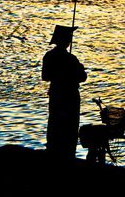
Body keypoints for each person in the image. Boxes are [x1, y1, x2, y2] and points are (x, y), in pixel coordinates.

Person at [42, 25, 87, 161]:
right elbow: (83, 77)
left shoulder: (49, 56)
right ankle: (68, 157)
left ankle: (53, 153)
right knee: (70, 128)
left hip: (56, 95)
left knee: (55, 125)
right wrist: (77, 69)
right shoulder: (71, 59)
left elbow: (45, 76)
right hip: (70, 97)